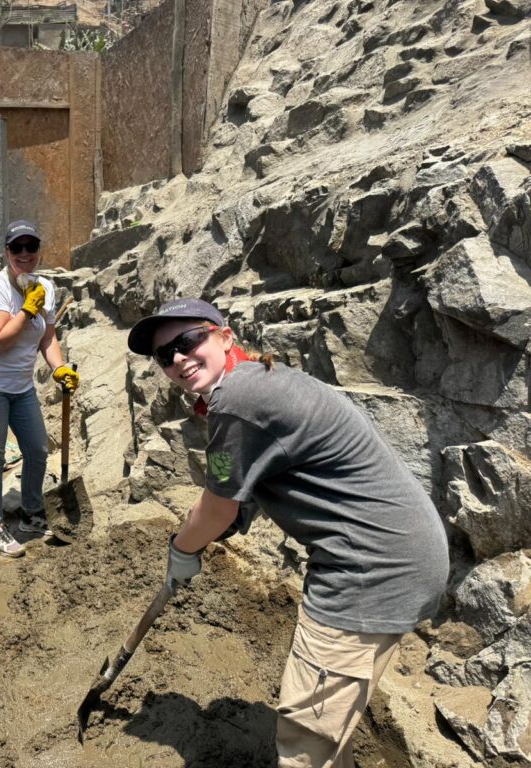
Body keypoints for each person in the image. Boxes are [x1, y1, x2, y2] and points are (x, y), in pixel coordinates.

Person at [126, 297, 449, 768]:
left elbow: (215, 510)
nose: (177, 358)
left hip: (372, 568)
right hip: (394, 550)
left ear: (224, 336)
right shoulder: (257, 382)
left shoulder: (238, 399)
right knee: (329, 723)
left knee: (307, 731)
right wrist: (229, 519)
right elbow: (255, 483)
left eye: (188, 340)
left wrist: (182, 548)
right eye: (163, 354)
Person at [0, 220, 81, 557]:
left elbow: (48, 337)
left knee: (37, 449)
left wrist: (59, 368)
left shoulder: (46, 288)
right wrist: (28, 309)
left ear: (39, 251)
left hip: (20, 385)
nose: (25, 254)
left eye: (31, 247)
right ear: (7, 253)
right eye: (17, 248)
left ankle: (30, 512)